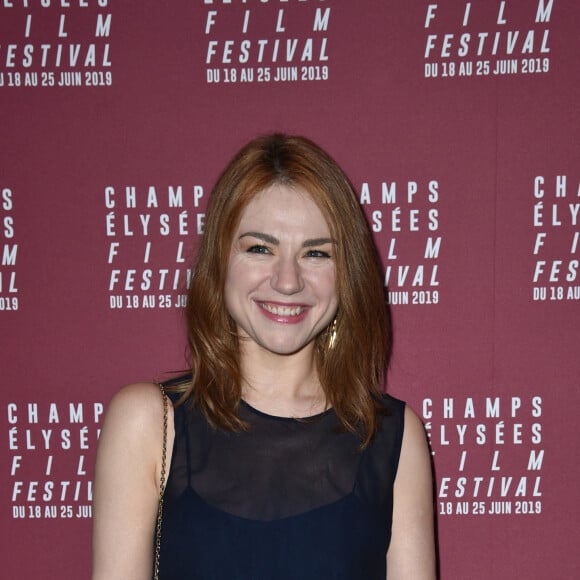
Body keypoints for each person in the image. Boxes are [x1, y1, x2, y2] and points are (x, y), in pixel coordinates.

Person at [91, 134, 436, 579]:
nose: (288, 281)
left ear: (347, 274)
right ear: (219, 260)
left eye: (316, 253)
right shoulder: (148, 423)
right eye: (260, 248)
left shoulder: (391, 438)